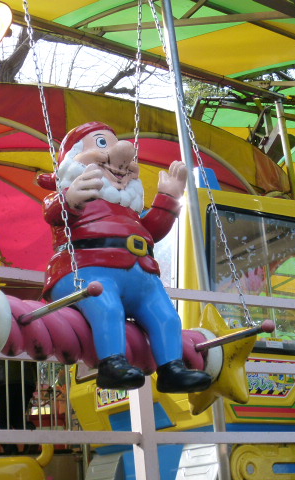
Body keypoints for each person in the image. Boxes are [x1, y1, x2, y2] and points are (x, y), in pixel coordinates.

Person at [40, 122, 212, 394]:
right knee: (107, 307)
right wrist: (69, 198)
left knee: (167, 316)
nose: (120, 156)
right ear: (73, 160)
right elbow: (53, 212)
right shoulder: (70, 196)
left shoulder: (129, 210)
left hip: (140, 274)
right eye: (101, 144)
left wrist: (169, 198)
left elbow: (152, 231)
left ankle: (172, 369)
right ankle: (112, 364)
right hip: (85, 269)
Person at [0, 359, 38, 454]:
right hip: (26, 379)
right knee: (18, 419)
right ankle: (32, 437)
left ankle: (11, 451)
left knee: (4, 421)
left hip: (4, 379)